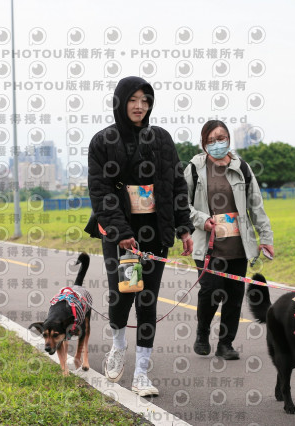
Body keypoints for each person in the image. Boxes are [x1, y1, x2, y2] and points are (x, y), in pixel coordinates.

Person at [87, 76, 194, 396]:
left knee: (147, 300)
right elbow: (101, 191)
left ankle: (142, 373)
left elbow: (177, 184)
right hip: (124, 236)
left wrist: (183, 227)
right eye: (133, 99)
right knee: (123, 295)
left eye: (145, 100)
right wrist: (120, 232)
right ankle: (118, 346)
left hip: (156, 233)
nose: (140, 106)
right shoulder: (103, 141)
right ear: (121, 102)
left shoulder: (161, 138)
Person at [184, 120, 274, 360]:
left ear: (228, 139)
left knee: (234, 297)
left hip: (237, 245)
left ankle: (226, 343)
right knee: (211, 291)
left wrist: (265, 237)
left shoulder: (241, 167)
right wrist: (202, 219)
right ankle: (202, 333)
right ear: (203, 143)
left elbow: (256, 205)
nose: (216, 144)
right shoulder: (195, 168)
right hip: (209, 245)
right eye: (211, 140)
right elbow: (181, 203)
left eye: (221, 138)